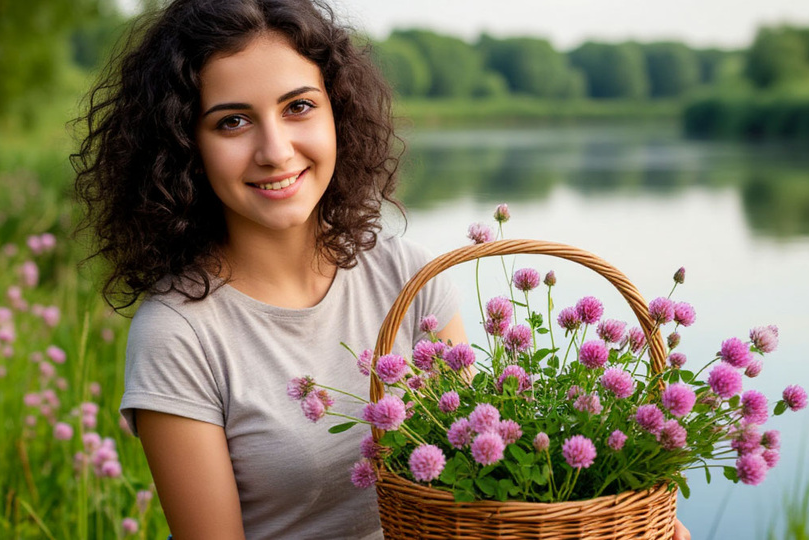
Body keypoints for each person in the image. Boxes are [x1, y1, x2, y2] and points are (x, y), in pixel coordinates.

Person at [73, 1, 690, 539]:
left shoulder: (409, 278)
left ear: (336, 112)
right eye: (232, 121)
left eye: (298, 107)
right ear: (184, 144)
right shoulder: (178, 333)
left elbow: (483, 478)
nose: (274, 150)